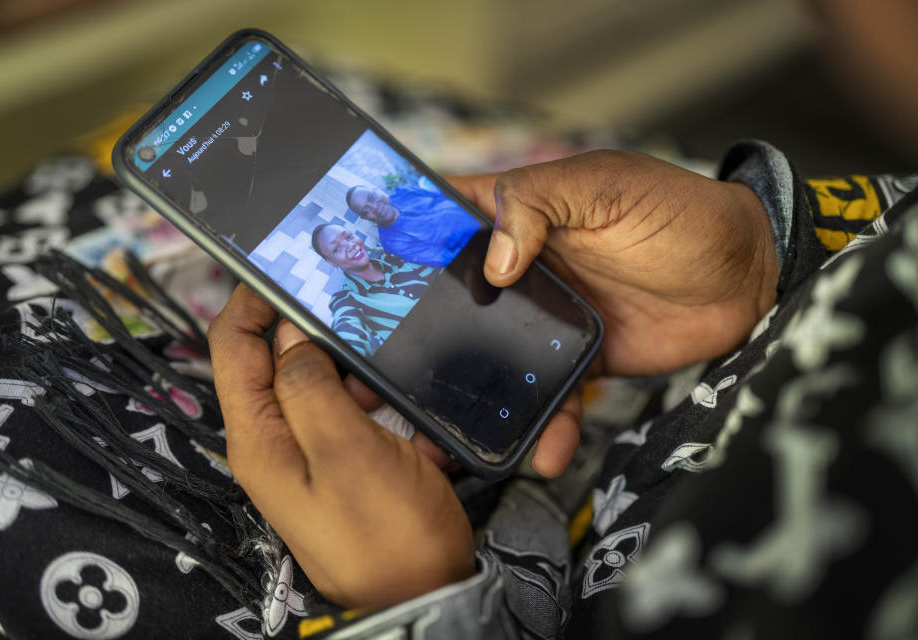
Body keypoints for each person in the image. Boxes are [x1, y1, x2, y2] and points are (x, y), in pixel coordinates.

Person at [208, 2, 918, 637]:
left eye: (349, 227)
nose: (353, 234)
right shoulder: (358, 296)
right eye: (340, 234)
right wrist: (769, 251)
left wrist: (420, 602)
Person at [310, 223, 440, 357]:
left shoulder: (390, 255)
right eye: (337, 249)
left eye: (349, 236)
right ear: (331, 262)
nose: (351, 245)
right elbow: (348, 331)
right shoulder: (348, 299)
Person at [346, 183, 481, 267]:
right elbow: (445, 256)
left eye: (371, 197)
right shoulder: (393, 242)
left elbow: (444, 194)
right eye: (366, 210)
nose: (374, 207)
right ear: (366, 218)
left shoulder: (404, 193)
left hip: (478, 208)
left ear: (378, 191)